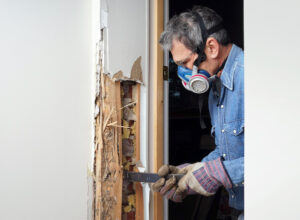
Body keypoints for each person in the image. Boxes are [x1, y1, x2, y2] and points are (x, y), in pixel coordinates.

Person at [152, 6, 244, 219]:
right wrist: (193, 172)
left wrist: (215, 174)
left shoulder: (252, 78)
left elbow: (280, 159)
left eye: (185, 62)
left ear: (211, 47)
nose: (183, 72)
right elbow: (227, 151)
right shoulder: (216, 85)